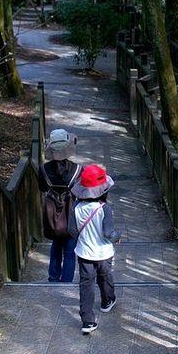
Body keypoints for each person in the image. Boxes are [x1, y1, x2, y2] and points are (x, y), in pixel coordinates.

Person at [69, 164, 120, 334]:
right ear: (103, 190)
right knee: (105, 278)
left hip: (84, 253)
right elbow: (108, 232)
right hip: (103, 253)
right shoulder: (104, 208)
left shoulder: (76, 208)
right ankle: (107, 301)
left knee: (86, 285)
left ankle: (87, 321)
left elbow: (72, 231)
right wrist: (117, 237)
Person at [40, 129, 81, 282]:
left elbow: (43, 188)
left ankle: (53, 277)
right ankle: (66, 282)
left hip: (52, 214)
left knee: (56, 244)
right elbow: (81, 192)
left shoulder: (43, 169)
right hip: (71, 214)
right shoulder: (77, 169)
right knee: (70, 251)